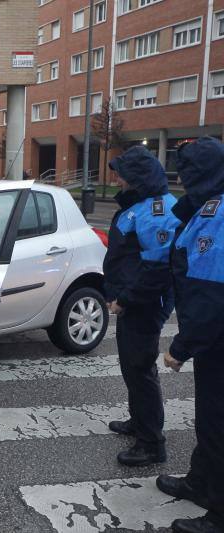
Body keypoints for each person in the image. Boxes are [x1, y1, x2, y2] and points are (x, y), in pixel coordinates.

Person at [157, 137, 224, 533]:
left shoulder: (217, 215)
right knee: (209, 420)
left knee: (218, 425)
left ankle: (219, 515)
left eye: (187, 173)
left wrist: (181, 348)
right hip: (214, 337)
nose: (181, 178)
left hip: (216, 338)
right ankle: (200, 483)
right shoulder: (207, 205)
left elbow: (209, 294)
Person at [102, 145, 180, 467]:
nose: (116, 178)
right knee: (132, 366)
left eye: (121, 173)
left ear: (138, 177)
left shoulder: (158, 210)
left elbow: (156, 270)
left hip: (143, 303)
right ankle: (140, 422)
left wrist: (124, 299)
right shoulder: (143, 205)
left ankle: (151, 443)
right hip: (133, 301)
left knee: (140, 367)